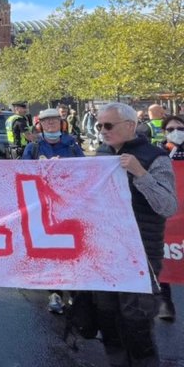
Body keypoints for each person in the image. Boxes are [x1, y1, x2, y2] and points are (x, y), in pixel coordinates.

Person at [93, 102, 177, 366]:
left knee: (136, 319)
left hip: (140, 252)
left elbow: (167, 205)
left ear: (130, 125)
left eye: (108, 125)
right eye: (99, 126)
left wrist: (140, 173)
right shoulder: (101, 154)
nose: (103, 131)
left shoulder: (154, 157)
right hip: (105, 251)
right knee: (106, 315)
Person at [21, 108, 85, 314]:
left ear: (61, 124)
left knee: (71, 248)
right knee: (49, 249)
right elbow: (21, 171)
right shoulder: (33, 147)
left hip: (69, 204)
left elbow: (86, 169)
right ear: (40, 125)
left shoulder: (73, 146)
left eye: (54, 121)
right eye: (46, 121)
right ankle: (54, 292)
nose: (50, 125)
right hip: (43, 204)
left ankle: (74, 292)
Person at [158, 114, 184, 321]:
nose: (176, 133)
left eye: (180, 128)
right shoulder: (157, 154)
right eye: (171, 129)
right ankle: (166, 301)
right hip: (167, 214)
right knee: (163, 257)